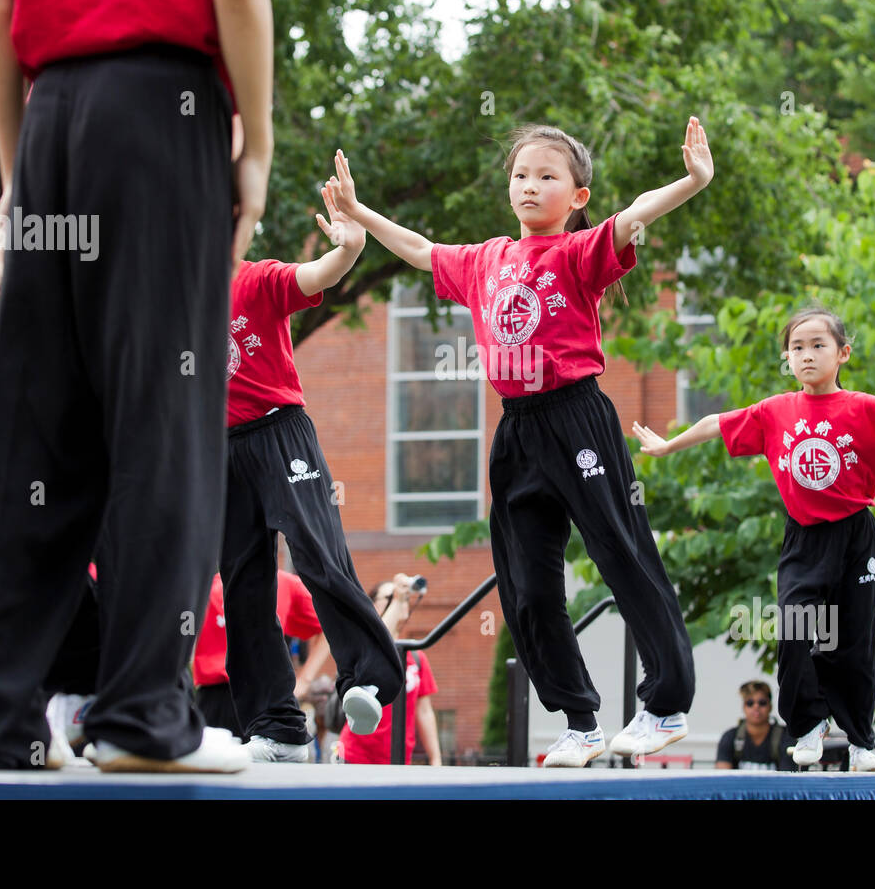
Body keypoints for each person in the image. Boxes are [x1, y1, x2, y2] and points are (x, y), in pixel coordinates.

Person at [0, 0, 314, 773]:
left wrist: (19, 180)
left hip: (51, 120)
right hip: (161, 114)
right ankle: (141, 716)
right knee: (164, 422)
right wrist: (256, 153)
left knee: (37, 429)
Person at [326, 119, 713, 766]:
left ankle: (666, 704)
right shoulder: (485, 259)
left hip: (577, 417)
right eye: (521, 175)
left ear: (577, 196)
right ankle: (581, 719)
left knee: (621, 551)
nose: (530, 186)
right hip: (518, 433)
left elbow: (634, 216)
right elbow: (422, 250)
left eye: (547, 176)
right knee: (528, 587)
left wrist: (693, 180)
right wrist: (361, 212)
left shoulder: (577, 252)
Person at [633, 306, 875, 772]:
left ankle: (859, 744)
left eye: (818, 346)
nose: (807, 355)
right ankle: (808, 724)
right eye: (797, 348)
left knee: (853, 643)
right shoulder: (776, 411)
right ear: (787, 358)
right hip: (804, 541)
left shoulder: (867, 409)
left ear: (843, 353)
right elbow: (717, 423)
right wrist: (670, 444)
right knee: (794, 629)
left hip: (855, 536)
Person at [219, 180, 403, 762]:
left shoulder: (257, 278)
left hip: (279, 431)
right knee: (244, 584)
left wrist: (348, 247)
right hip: (220, 449)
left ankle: (369, 677)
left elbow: (317, 275)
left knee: (317, 553)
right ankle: (277, 726)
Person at [192, 569, 333, 743]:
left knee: (270, 767)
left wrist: (305, 679)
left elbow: (330, 623)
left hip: (268, 698)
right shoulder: (203, 585)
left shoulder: (285, 583)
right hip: (214, 699)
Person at [336, 575, 440, 766]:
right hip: (354, 756)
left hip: (398, 758)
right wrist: (398, 599)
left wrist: (435, 759)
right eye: (389, 597)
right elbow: (378, 641)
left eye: (404, 598)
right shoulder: (363, 648)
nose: (399, 601)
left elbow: (424, 711)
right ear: (371, 606)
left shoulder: (416, 657)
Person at [714, 681, 796, 771]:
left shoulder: (785, 737)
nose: (756, 706)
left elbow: (788, 778)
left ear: (770, 706)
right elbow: (723, 778)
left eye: (762, 702)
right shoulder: (730, 737)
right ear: (744, 707)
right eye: (750, 703)